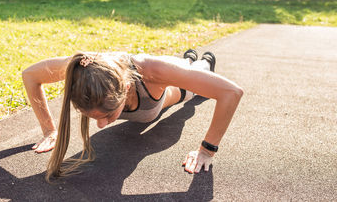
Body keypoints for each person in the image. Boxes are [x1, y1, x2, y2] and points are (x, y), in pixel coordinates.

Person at [21, 49, 243, 180]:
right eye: (93, 116)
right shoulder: (83, 70)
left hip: (165, 87)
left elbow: (231, 93)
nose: (100, 125)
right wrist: (49, 129)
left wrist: (207, 150)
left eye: (108, 115)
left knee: (191, 90)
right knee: (182, 69)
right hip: (150, 76)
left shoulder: (153, 72)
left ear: (126, 89)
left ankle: (200, 61)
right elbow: (30, 75)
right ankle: (188, 61)